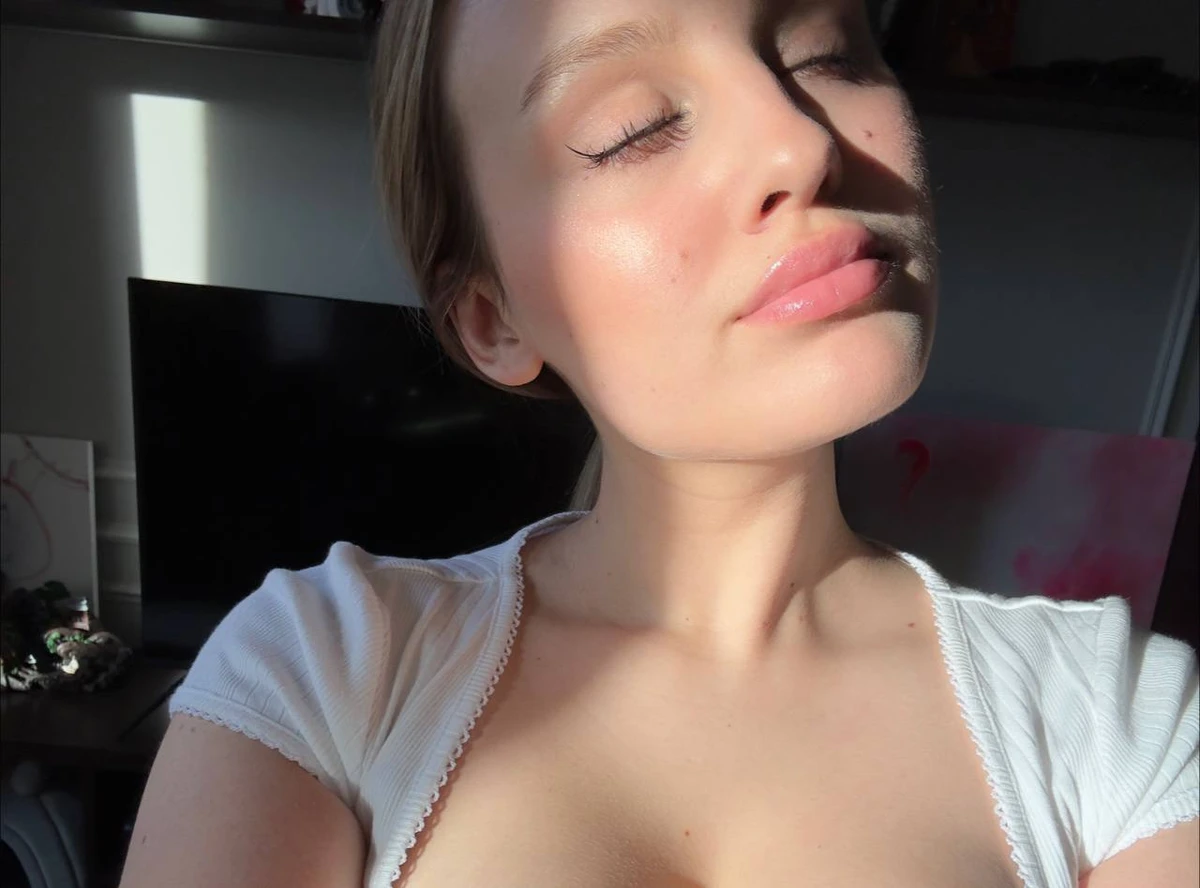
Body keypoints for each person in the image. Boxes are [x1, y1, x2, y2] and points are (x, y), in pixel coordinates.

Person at [119, 0, 1199, 886]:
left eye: (826, 55)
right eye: (633, 128)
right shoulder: (325, 669)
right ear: (492, 319)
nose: (801, 144)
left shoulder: (1120, 723)